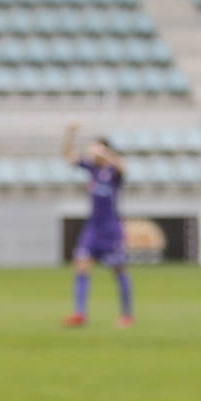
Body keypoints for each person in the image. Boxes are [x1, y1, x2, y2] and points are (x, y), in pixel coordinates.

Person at [60, 124, 132, 328]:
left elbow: (124, 167)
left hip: (111, 228)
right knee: (81, 265)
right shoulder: (91, 169)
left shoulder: (114, 172)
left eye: (97, 149)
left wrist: (106, 153)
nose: (94, 153)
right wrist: (70, 133)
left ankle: (127, 315)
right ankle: (80, 314)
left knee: (119, 270)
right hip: (93, 227)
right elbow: (67, 155)